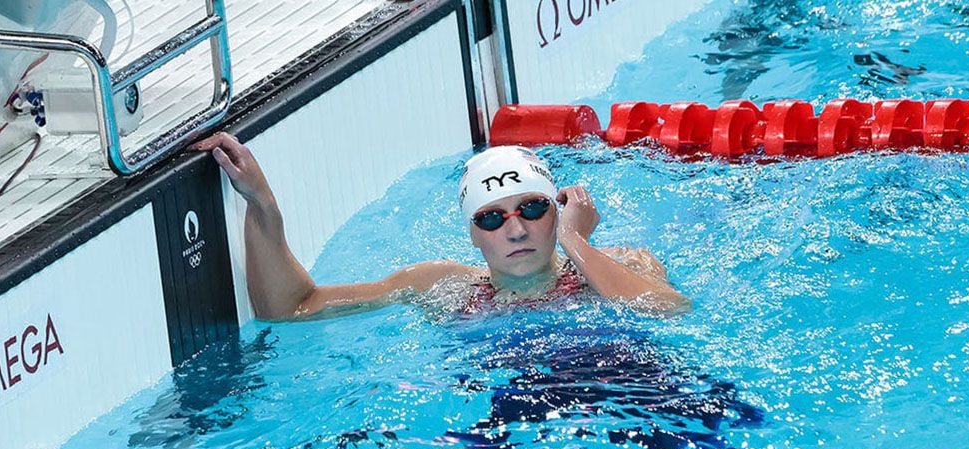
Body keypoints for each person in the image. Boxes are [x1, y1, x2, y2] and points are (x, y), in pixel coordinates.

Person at [190, 132, 691, 320]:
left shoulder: (622, 265)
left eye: (533, 210)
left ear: (557, 212)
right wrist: (263, 208)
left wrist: (576, 241)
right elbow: (292, 308)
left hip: (628, 390)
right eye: (492, 218)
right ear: (473, 233)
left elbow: (667, 309)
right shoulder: (442, 286)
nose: (515, 230)